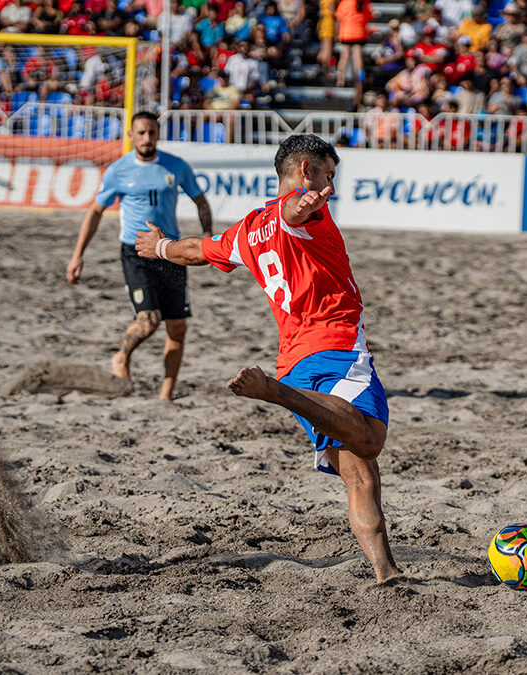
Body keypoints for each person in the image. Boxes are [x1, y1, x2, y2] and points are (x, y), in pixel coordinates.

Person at [133, 134, 402, 584]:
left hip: (294, 361)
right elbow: (295, 212)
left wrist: (160, 247)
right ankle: (276, 395)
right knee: (370, 441)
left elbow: (197, 251)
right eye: (327, 173)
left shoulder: (246, 230)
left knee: (359, 472)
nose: (331, 184)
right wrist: (305, 203)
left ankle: (386, 573)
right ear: (304, 171)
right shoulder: (299, 212)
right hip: (335, 349)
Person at [66, 112, 213, 401]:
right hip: (135, 253)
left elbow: (200, 200)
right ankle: (122, 356)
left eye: (152, 132)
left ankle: (166, 396)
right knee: (149, 320)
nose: (147, 138)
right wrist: (77, 255)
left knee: (178, 327)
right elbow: (95, 211)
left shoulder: (176, 166)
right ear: (131, 135)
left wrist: (208, 233)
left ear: (158, 134)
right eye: (141, 133)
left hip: (170, 251)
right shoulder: (118, 171)